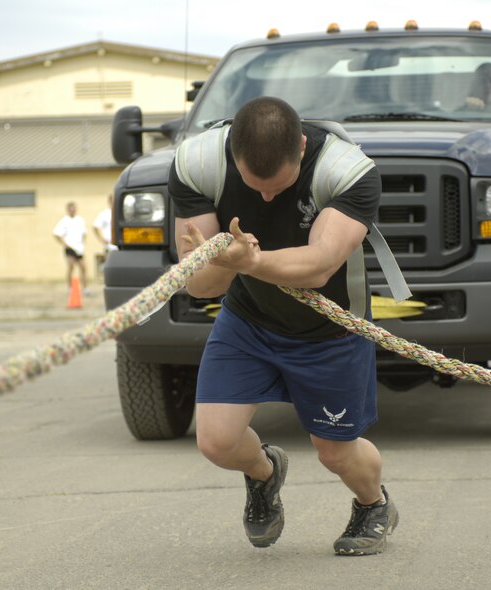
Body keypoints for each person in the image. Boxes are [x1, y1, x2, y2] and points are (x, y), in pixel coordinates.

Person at [169, 96, 399, 556]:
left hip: (329, 331)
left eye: (279, 187)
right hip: (248, 321)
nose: (268, 199)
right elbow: (199, 285)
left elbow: (319, 265)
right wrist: (227, 266)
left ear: (300, 145)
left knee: (335, 451)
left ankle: (374, 504)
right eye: (256, 188)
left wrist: (249, 260)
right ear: (233, 153)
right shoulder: (197, 162)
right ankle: (264, 472)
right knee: (216, 441)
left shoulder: (347, 171)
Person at [52, 201, 88, 292]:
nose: (73, 210)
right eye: (71, 209)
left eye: (74, 209)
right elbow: (56, 234)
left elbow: (84, 233)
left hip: (79, 248)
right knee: (71, 267)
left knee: (83, 267)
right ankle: (70, 288)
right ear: (68, 210)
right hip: (70, 248)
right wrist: (65, 244)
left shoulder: (80, 220)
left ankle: (85, 288)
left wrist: (82, 243)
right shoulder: (64, 221)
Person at [92, 194, 118, 263]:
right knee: (109, 265)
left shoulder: (120, 212)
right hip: (109, 246)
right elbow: (95, 227)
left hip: (120, 246)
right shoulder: (104, 214)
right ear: (109, 202)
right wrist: (101, 239)